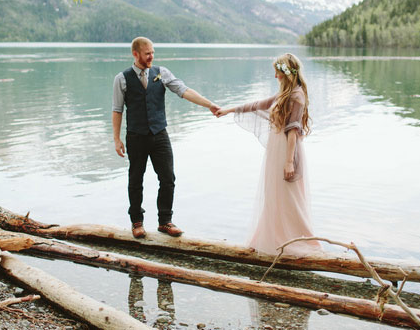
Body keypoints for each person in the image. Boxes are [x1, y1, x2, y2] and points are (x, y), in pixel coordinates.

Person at [112, 37, 218, 239]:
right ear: (135, 54)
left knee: (168, 178)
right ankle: (137, 222)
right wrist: (117, 139)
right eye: (147, 53)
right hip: (135, 136)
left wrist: (209, 105)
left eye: (153, 52)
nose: (151, 56)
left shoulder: (162, 73)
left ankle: (165, 221)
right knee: (136, 179)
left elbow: (184, 91)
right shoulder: (122, 78)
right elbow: (117, 110)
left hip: (160, 135)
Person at [216, 53, 320, 256]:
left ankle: (297, 241)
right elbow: (260, 104)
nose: (275, 76)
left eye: (277, 72)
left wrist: (289, 162)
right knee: (274, 195)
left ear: (286, 73)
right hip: (277, 150)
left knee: (289, 197)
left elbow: (293, 130)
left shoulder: (296, 95)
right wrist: (229, 110)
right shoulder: (285, 93)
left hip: (287, 152)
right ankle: (272, 238)